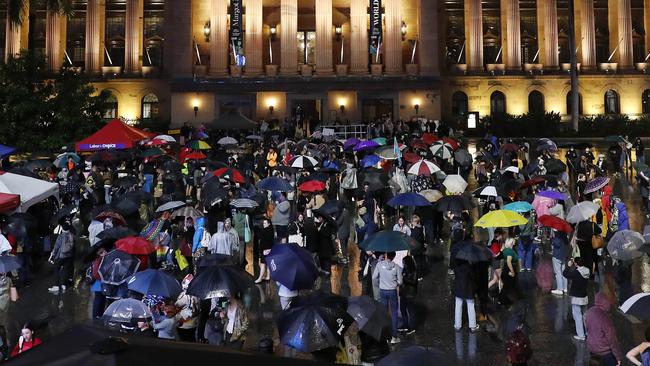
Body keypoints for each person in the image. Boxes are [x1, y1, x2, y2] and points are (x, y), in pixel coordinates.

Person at [372, 251, 402, 344]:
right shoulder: (397, 267)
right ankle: (394, 337)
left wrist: (379, 284)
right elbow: (400, 282)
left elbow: (374, 277)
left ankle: (384, 336)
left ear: (386, 255)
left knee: (384, 314)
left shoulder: (379, 265)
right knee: (394, 313)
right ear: (393, 257)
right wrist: (395, 284)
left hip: (383, 291)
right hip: (392, 291)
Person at [585, 292, 623, 366]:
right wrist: (618, 357)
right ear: (605, 302)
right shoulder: (605, 318)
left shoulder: (589, 312)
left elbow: (588, 329)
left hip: (592, 348)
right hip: (605, 352)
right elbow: (612, 340)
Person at [563, 257, 590, 341]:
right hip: (584, 296)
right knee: (585, 316)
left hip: (576, 297)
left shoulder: (576, 272)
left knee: (577, 316)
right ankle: (588, 332)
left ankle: (581, 335)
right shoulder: (587, 271)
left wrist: (568, 266)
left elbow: (565, 274)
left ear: (576, 263)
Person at [48, 220, 75, 293]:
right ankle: (63, 285)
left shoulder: (60, 236)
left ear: (63, 228)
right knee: (65, 270)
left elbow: (56, 247)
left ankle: (56, 286)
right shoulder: (72, 235)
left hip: (61, 256)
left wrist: (52, 255)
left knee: (56, 269)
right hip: (69, 255)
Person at [453, 259, 478, 332]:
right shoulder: (472, 265)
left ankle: (457, 325)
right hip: (469, 287)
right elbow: (474, 276)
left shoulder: (457, 262)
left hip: (459, 286)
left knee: (458, 305)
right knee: (470, 305)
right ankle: (473, 326)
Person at [175, 274, 199, 342]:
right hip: (193, 324)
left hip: (183, 325)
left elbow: (176, 306)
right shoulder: (197, 295)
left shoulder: (185, 297)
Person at [398, 254, 418, 335]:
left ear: (408, 263)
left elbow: (413, 282)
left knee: (410, 310)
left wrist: (404, 278)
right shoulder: (404, 269)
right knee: (402, 309)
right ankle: (405, 325)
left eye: (404, 262)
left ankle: (412, 327)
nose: (403, 264)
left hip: (410, 293)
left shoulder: (414, 271)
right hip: (403, 292)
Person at [499, 238, 519, 306]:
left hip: (505, 269)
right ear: (511, 243)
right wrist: (512, 271)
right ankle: (502, 300)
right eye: (514, 241)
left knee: (506, 286)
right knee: (508, 286)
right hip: (509, 269)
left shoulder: (505, 250)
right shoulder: (510, 251)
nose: (515, 242)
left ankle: (502, 299)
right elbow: (508, 261)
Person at [255, 218, 274, 283]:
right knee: (268, 264)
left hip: (265, 250)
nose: (264, 224)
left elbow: (262, 242)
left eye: (265, 223)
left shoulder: (264, 231)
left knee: (262, 265)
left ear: (269, 224)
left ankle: (260, 278)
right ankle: (268, 276)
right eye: (263, 223)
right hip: (270, 249)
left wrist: (261, 250)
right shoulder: (271, 231)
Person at [550, 230, 568, 296]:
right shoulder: (565, 235)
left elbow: (557, 243)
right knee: (563, 272)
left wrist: (552, 239)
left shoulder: (558, 236)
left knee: (558, 273)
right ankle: (565, 288)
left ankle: (560, 289)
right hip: (563, 255)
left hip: (557, 255)